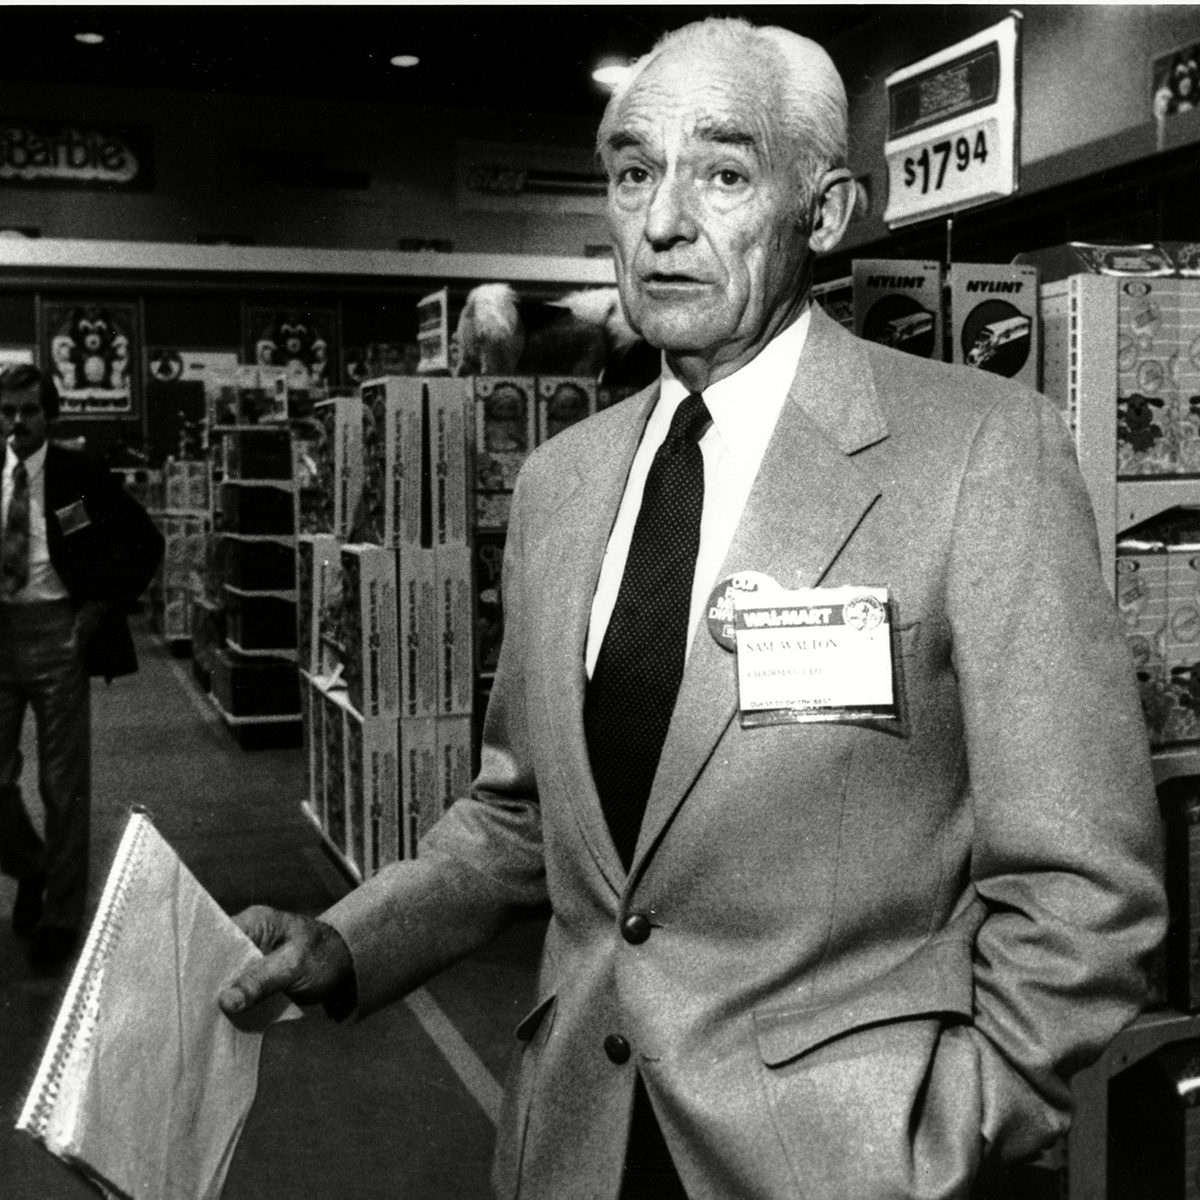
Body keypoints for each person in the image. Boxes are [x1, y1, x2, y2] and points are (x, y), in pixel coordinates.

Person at [221, 18, 1165, 1200]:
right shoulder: (565, 483)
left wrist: (950, 1131)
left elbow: (1087, 886)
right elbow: (522, 819)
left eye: (724, 173)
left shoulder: (978, 453)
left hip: (849, 1164)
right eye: (632, 174)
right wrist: (346, 939)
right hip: (578, 1143)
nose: (663, 221)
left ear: (823, 215)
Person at [0, 363, 163, 975]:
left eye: (29, 410)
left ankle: (61, 916)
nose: (17, 422)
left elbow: (145, 540)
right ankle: (34, 867)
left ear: (49, 415)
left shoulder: (78, 474)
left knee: (63, 786)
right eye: (7, 411)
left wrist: (99, 609)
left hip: (58, 635)